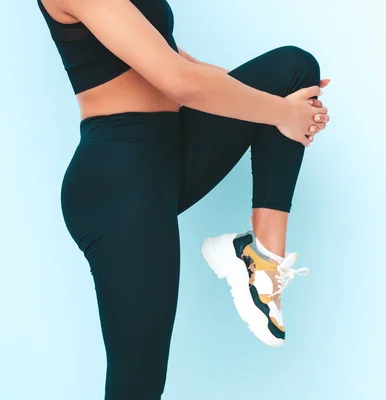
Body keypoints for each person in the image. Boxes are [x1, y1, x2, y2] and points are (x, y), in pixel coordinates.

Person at [37, 0, 331, 398]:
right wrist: (281, 114)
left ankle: (261, 256)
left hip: (167, 154)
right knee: (138, 384)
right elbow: (179, 81)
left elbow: (185, 66)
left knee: (292, 72)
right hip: (118, 179)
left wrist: (290, 107)